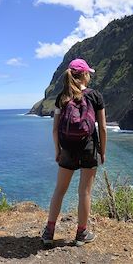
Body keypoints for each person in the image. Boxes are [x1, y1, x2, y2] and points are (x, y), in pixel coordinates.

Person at [41, 58, 107, 247]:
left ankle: (49, 232)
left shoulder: (62, 97)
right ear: (85, 74)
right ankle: (81, 234)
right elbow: (102, 128)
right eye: (89, 73)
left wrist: (57, 150)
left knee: (59, 191)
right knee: (84, 192)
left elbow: (54, 129)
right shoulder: (95, 96)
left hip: (67, 149)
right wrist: (102, 151)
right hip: (89, 148)